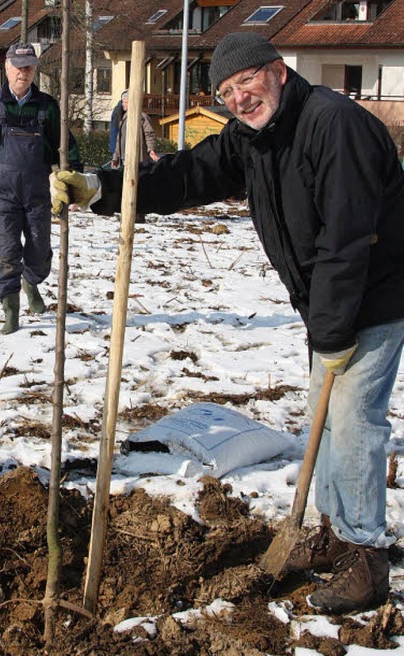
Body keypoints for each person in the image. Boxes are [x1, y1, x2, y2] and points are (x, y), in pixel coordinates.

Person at [50, 32, 404, 614]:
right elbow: (187, 175)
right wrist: (102, 188)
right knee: (331, 420)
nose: (239, 98)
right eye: (227, 91)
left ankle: (364, 556)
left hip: (373, 291)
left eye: (248, 82)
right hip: (329, 303)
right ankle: (335, 533)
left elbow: (347, 240)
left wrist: (335, 330)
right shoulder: (253, 139)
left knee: (352, 420)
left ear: (279, 72)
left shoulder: (334, 125)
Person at [0, 42, 81, 335]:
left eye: (28, 66)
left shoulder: (47, 105)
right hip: (2, 191)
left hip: (38, 191)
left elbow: (66, 148)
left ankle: (31, 281)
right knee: (7, 251)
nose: (23, 72)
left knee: (40, 250)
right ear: (6, 67)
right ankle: (10, 310)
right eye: (18, 66)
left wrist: (75, 184)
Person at [111, 89, 159, 223]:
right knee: (126, 186)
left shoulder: (142, 117)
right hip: (125, 158)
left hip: (139, 158)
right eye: (122, 102)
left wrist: (151, 150)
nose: (123, 104)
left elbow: (150, 134)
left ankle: (138, 214)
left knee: (138, 186)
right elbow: (119, 141)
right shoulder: (124, 118)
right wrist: (116, 157)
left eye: (125, 102)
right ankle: (128, 212)